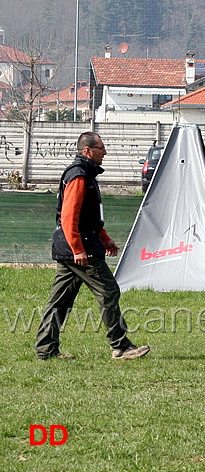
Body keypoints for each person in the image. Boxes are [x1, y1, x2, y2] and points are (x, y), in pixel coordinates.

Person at [35, 132, 150, 360]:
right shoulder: (79, 176)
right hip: (80, 250)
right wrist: (78, 249)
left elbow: (88, 218)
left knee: (60, 301)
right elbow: (69, 217)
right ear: (88, 151)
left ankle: (45, 349)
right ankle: (120, 346)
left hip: (73, 247)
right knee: (108, 291)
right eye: (101, 148)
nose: (105, 152)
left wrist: (104, 238)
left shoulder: (85, 175)